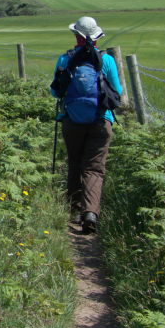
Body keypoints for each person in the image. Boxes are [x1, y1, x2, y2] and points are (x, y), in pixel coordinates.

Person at [49, 16, 124, 234]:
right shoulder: (107, 60)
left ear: (76, 36)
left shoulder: (65, 59)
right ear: (96, 37)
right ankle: (90, 212)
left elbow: (55, 91)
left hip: (71, 120)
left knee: (74, 161)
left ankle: (73, 207)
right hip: (101, 120)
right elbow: (117, 93)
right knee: (94, 168)